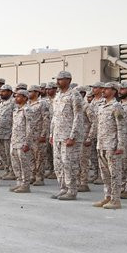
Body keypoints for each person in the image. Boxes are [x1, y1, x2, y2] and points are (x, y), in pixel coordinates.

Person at [49, 71, 85, 200]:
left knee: (69, 164)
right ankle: (63, 188)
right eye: (57, 79)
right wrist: (51, 134)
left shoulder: (74, 95)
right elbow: (55, 116)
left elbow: (78, 117)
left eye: (60, 79)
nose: (57, 82)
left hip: (68, 137)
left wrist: (73, 136)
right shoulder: (58, 96)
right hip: (58, 136)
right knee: (58, 164)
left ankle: (72, 190)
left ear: (68, 80)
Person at [93, 82, 127, 209]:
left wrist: (121, 146)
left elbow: (121, 127)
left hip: (112, 145)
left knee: (115, 174)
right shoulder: (101, 106)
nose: (103, 91)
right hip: (102, 144)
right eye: (103, 89)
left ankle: (115, 200)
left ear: (114, 91)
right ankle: (107, 197)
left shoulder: (117, 106)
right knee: (105, 174)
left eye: (107, 89)